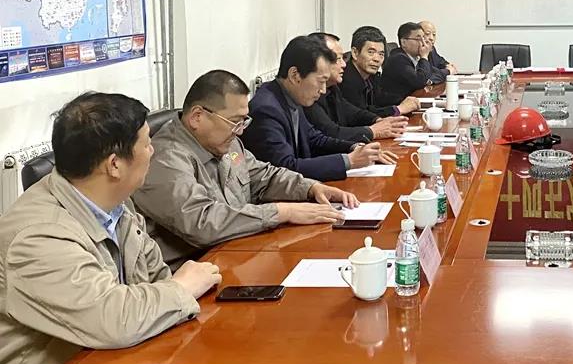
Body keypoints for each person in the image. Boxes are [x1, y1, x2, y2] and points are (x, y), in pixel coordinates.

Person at [0, 92, 221, 364]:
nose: (153, 151)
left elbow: (155, 276)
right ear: (115, 164)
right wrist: (182, 288)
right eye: (147, 144)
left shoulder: (114, 203)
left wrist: (174, 291)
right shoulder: (38, 237)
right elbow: (112, 319)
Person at [134, 70, 361, 270]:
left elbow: (262, 176)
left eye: (243, 121)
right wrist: (281, 212)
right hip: (193, 270)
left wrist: (310, 188)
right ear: (197, 117)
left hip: (237, 253)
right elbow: (201, 222)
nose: (241, 131)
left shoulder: (227, 142)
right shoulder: (165, 158)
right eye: (235, 121)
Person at [242, 36, 395, 182]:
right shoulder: (267, 109)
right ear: (295, 75)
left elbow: (315, 138)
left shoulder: (291, 95)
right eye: (321, 81)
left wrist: (355, 148)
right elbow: (285, 168)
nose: (323, 90)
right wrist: (349, 161)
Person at [305, 32, 407, 142]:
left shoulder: (332, 87)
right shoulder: (309, 93)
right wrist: (373, 131)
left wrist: (377, 120)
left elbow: (353, 112)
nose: (343, 64)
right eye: (337, 59)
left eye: (381, 54)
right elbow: (331, 132)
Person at [341, 26, 419, 117]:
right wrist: (398, 109)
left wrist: (404, 100)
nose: (377, 59)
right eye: (371, 52)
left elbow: (380, 98)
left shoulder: (370, 75)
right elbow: (360, 116)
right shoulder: (345, 80)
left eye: (381, 54)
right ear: (355, 53)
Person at [379, 21, 444, 103]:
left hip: (411, 101)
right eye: (418, 39)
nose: (423, 43)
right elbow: (420, 82)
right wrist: (424, 57)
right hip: (396, 106)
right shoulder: (398, 59)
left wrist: (447, 71)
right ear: (404, 42)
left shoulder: (414, 57)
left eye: (423, 38)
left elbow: (433, 72)